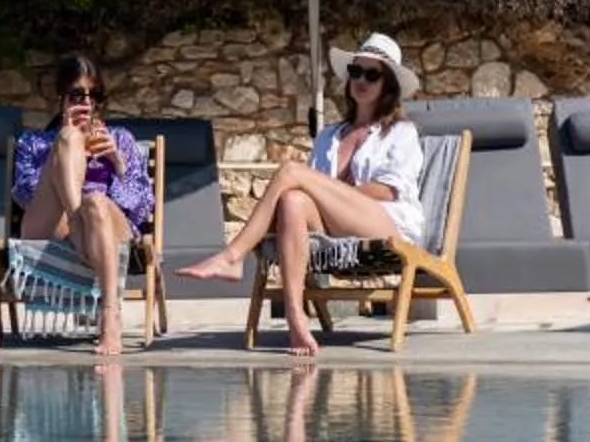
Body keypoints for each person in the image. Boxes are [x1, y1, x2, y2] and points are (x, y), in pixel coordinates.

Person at [179, 31, 428, 359]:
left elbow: (389, 189)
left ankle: (233, 255)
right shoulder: (330, 135)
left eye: (372, 74)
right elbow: (312, 194)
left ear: (388, 85)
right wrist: (324, 194)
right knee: (293, 200)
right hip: (334, 226)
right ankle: (296, 317)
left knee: (291, 173)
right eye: (356, 72)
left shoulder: (400, 133)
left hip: (386, 224)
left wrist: (333, 192)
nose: (361, 80)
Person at [9, 53, 156, 356]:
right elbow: (24, 195)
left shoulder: (120, 139)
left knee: (96, 203)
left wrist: (117, 162)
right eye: (77, 95)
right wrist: (61, 152)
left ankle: (110, 317)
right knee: (68, 138)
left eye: (95, 95)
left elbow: (141, 207)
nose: (87, 103)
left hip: (106, 227)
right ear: (61, 98)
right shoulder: (35, 142)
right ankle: (78, 217)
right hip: (55, 225)